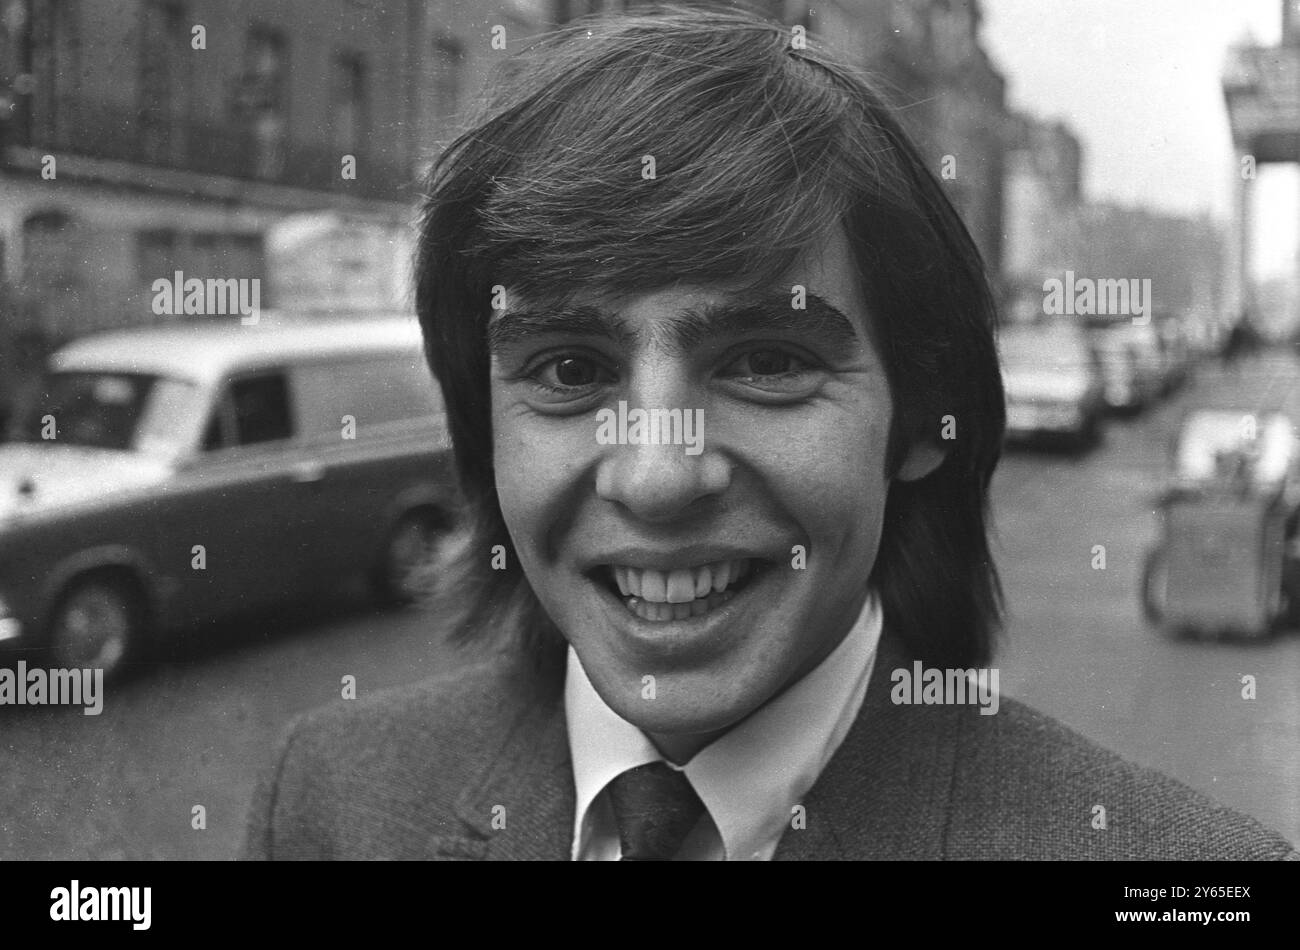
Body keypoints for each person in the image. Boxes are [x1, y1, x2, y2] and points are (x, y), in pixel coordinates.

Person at [241, 8, 1297, 861]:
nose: (657, 474)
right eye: (569, 369)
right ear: (481, 419)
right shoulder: (328, 798)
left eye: (765, 362)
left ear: (923, 415)